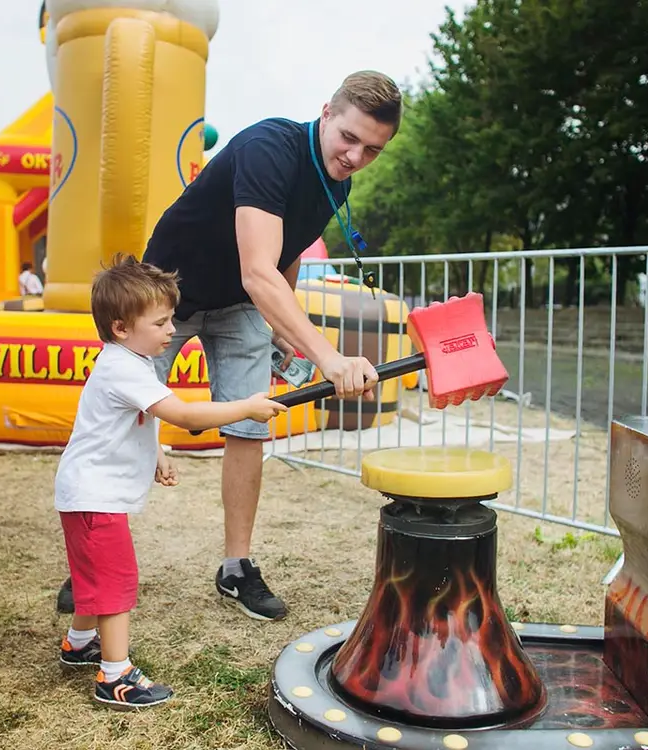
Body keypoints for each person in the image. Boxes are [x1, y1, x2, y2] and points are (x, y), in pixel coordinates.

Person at [140, 70, 403, 622]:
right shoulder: (269, 147)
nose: (356, 157)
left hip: (236, 304)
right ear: (326, 112)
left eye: (373, 150)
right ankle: (88, 560)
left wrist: (290, 340)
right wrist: (330, 358)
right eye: (349, 138)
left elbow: (286, 261)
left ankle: (236, 567)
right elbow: (258, 272)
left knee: (249, 426)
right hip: (165, 290)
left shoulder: (338, 181)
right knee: (123, 420)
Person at [55, 254, 286, 709]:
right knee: (117, 581)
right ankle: (115, 676)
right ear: (122, 327)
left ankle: (80, 642)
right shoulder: (124, 366)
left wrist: (155, 452)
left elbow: (126, 419)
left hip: (86, 493)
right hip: (94, 496)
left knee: (94, 577)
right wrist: (245, 407)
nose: (170, 330)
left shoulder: (129, 361)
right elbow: (183, 413)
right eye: (161, 323)